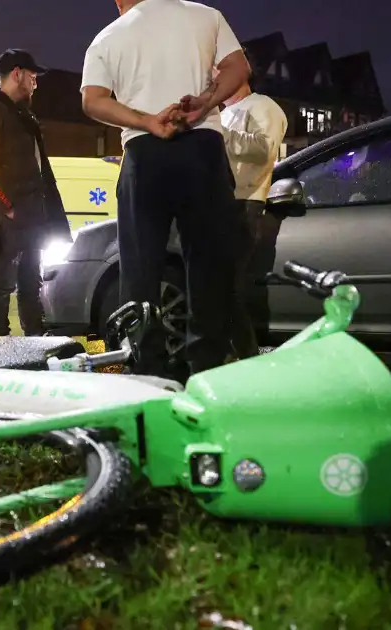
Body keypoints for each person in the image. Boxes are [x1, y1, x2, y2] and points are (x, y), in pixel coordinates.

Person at [80, 0, 250, 377]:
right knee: (208, 265)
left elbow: (92, 100)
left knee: (140, 269)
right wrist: (204, 101)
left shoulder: (109, 37)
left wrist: (146, 120)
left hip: (143, 153)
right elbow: (239, 67)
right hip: (202, 144)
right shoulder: (206, 16)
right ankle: (206, 368)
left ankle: (147, 370)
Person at [0, 49, 71, 337]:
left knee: (31, 282)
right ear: (17, 74)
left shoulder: (22, 115)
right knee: (2, 284)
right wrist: (6, 206)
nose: (35, 83)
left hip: (30, 216)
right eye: (32, 77)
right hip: (6, 219)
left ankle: (34, 342)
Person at [219, 71, 289, 359]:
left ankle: (246, 357)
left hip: (243, 204)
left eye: (217, 72)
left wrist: (216, 135)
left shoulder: (264, 107)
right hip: (220, 203)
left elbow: (264, 151)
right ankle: (229, 356)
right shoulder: (222, 114)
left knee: (228, 289)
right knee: (218, 287)